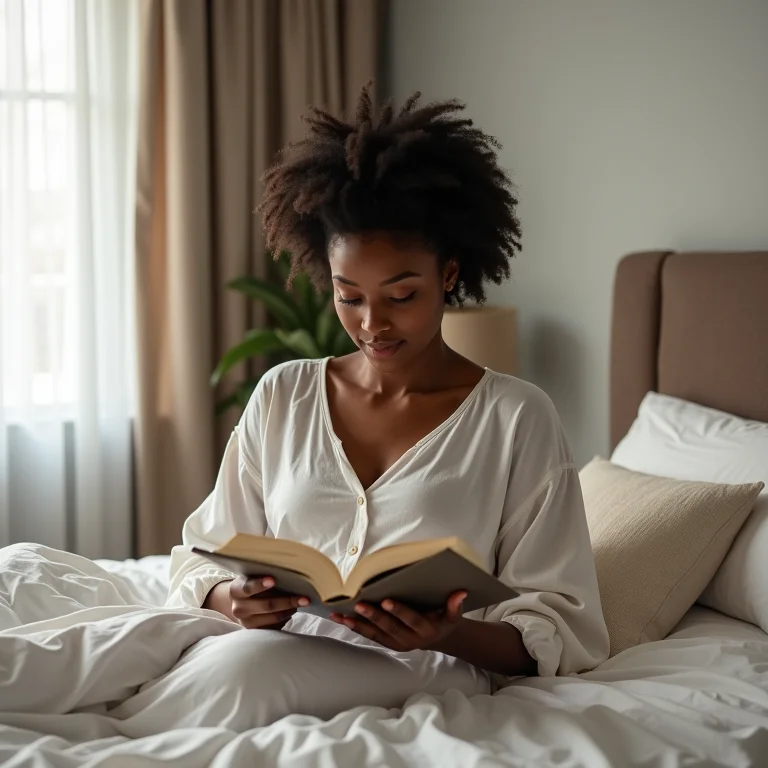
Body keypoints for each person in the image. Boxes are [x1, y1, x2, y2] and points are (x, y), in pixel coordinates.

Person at [123, 83, 609, 733]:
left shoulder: (516, 418)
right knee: (101, 654)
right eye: (349, 296)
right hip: (265, 645)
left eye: (400, 295)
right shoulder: (285, 394)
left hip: (423, 665)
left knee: (241, 676)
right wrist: (232, 599)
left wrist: (447, 632)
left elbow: (562, 628)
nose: (371, 323)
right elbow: (202, 553)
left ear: (449, 275)